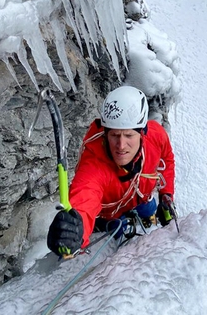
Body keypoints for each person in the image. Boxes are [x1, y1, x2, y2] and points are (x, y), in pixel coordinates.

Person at [47, 85, 176, 257]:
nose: (121, 146)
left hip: (141, 196)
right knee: (117, 231)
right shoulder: (95, 166)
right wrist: (75, 229)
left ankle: (146, 217)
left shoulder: (156, 135)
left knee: (149, 208)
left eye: (129, 136)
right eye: (115, 135)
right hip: (111, 213)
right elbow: (85, 196)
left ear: (142, 133)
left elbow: (167, 159)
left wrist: (166, 194)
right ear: (105, 133)